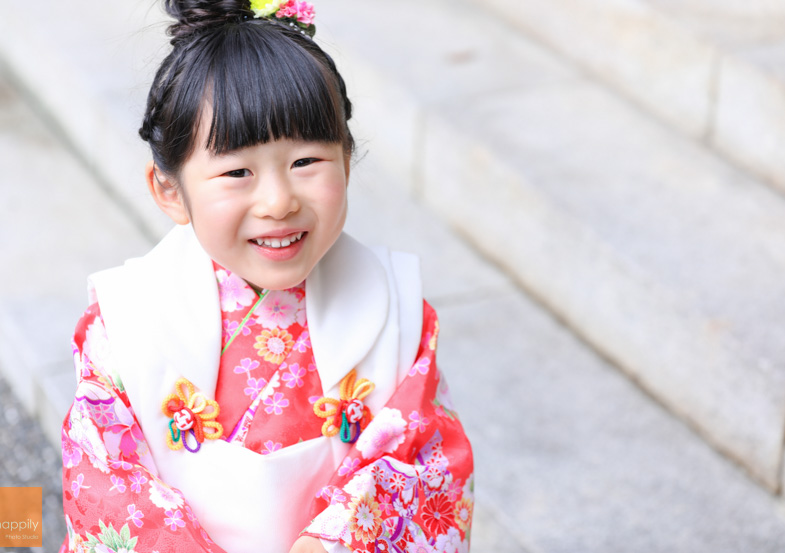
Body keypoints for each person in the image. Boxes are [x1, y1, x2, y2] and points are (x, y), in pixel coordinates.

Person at [59, 1, 474, 551]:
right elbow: (108, 486)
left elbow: (425, 463)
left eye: (306, 162)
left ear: (347, 161)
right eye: (237, 172)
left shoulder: (396, 309)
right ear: (169, 190)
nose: (278, 202)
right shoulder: (125, 320)